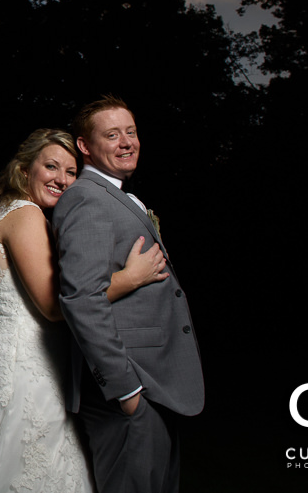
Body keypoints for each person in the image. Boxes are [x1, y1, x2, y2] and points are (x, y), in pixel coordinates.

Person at [0, 128, 168, 493]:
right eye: (51, 167)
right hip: (28, 365)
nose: (62, 179)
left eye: (71, 172)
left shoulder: (2, 210)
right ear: (24, 171)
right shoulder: (24, 213)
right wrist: (130, 277)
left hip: (11, 358)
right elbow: (54, 306)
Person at [52, 97, 204, 493]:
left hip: (157, 383)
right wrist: (125, 390)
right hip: (131, 386)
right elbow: (81, 298)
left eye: (131, 132)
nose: (126, 142)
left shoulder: (117, 195)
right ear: (85, 146)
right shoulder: (86, 198)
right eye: (112, 134)